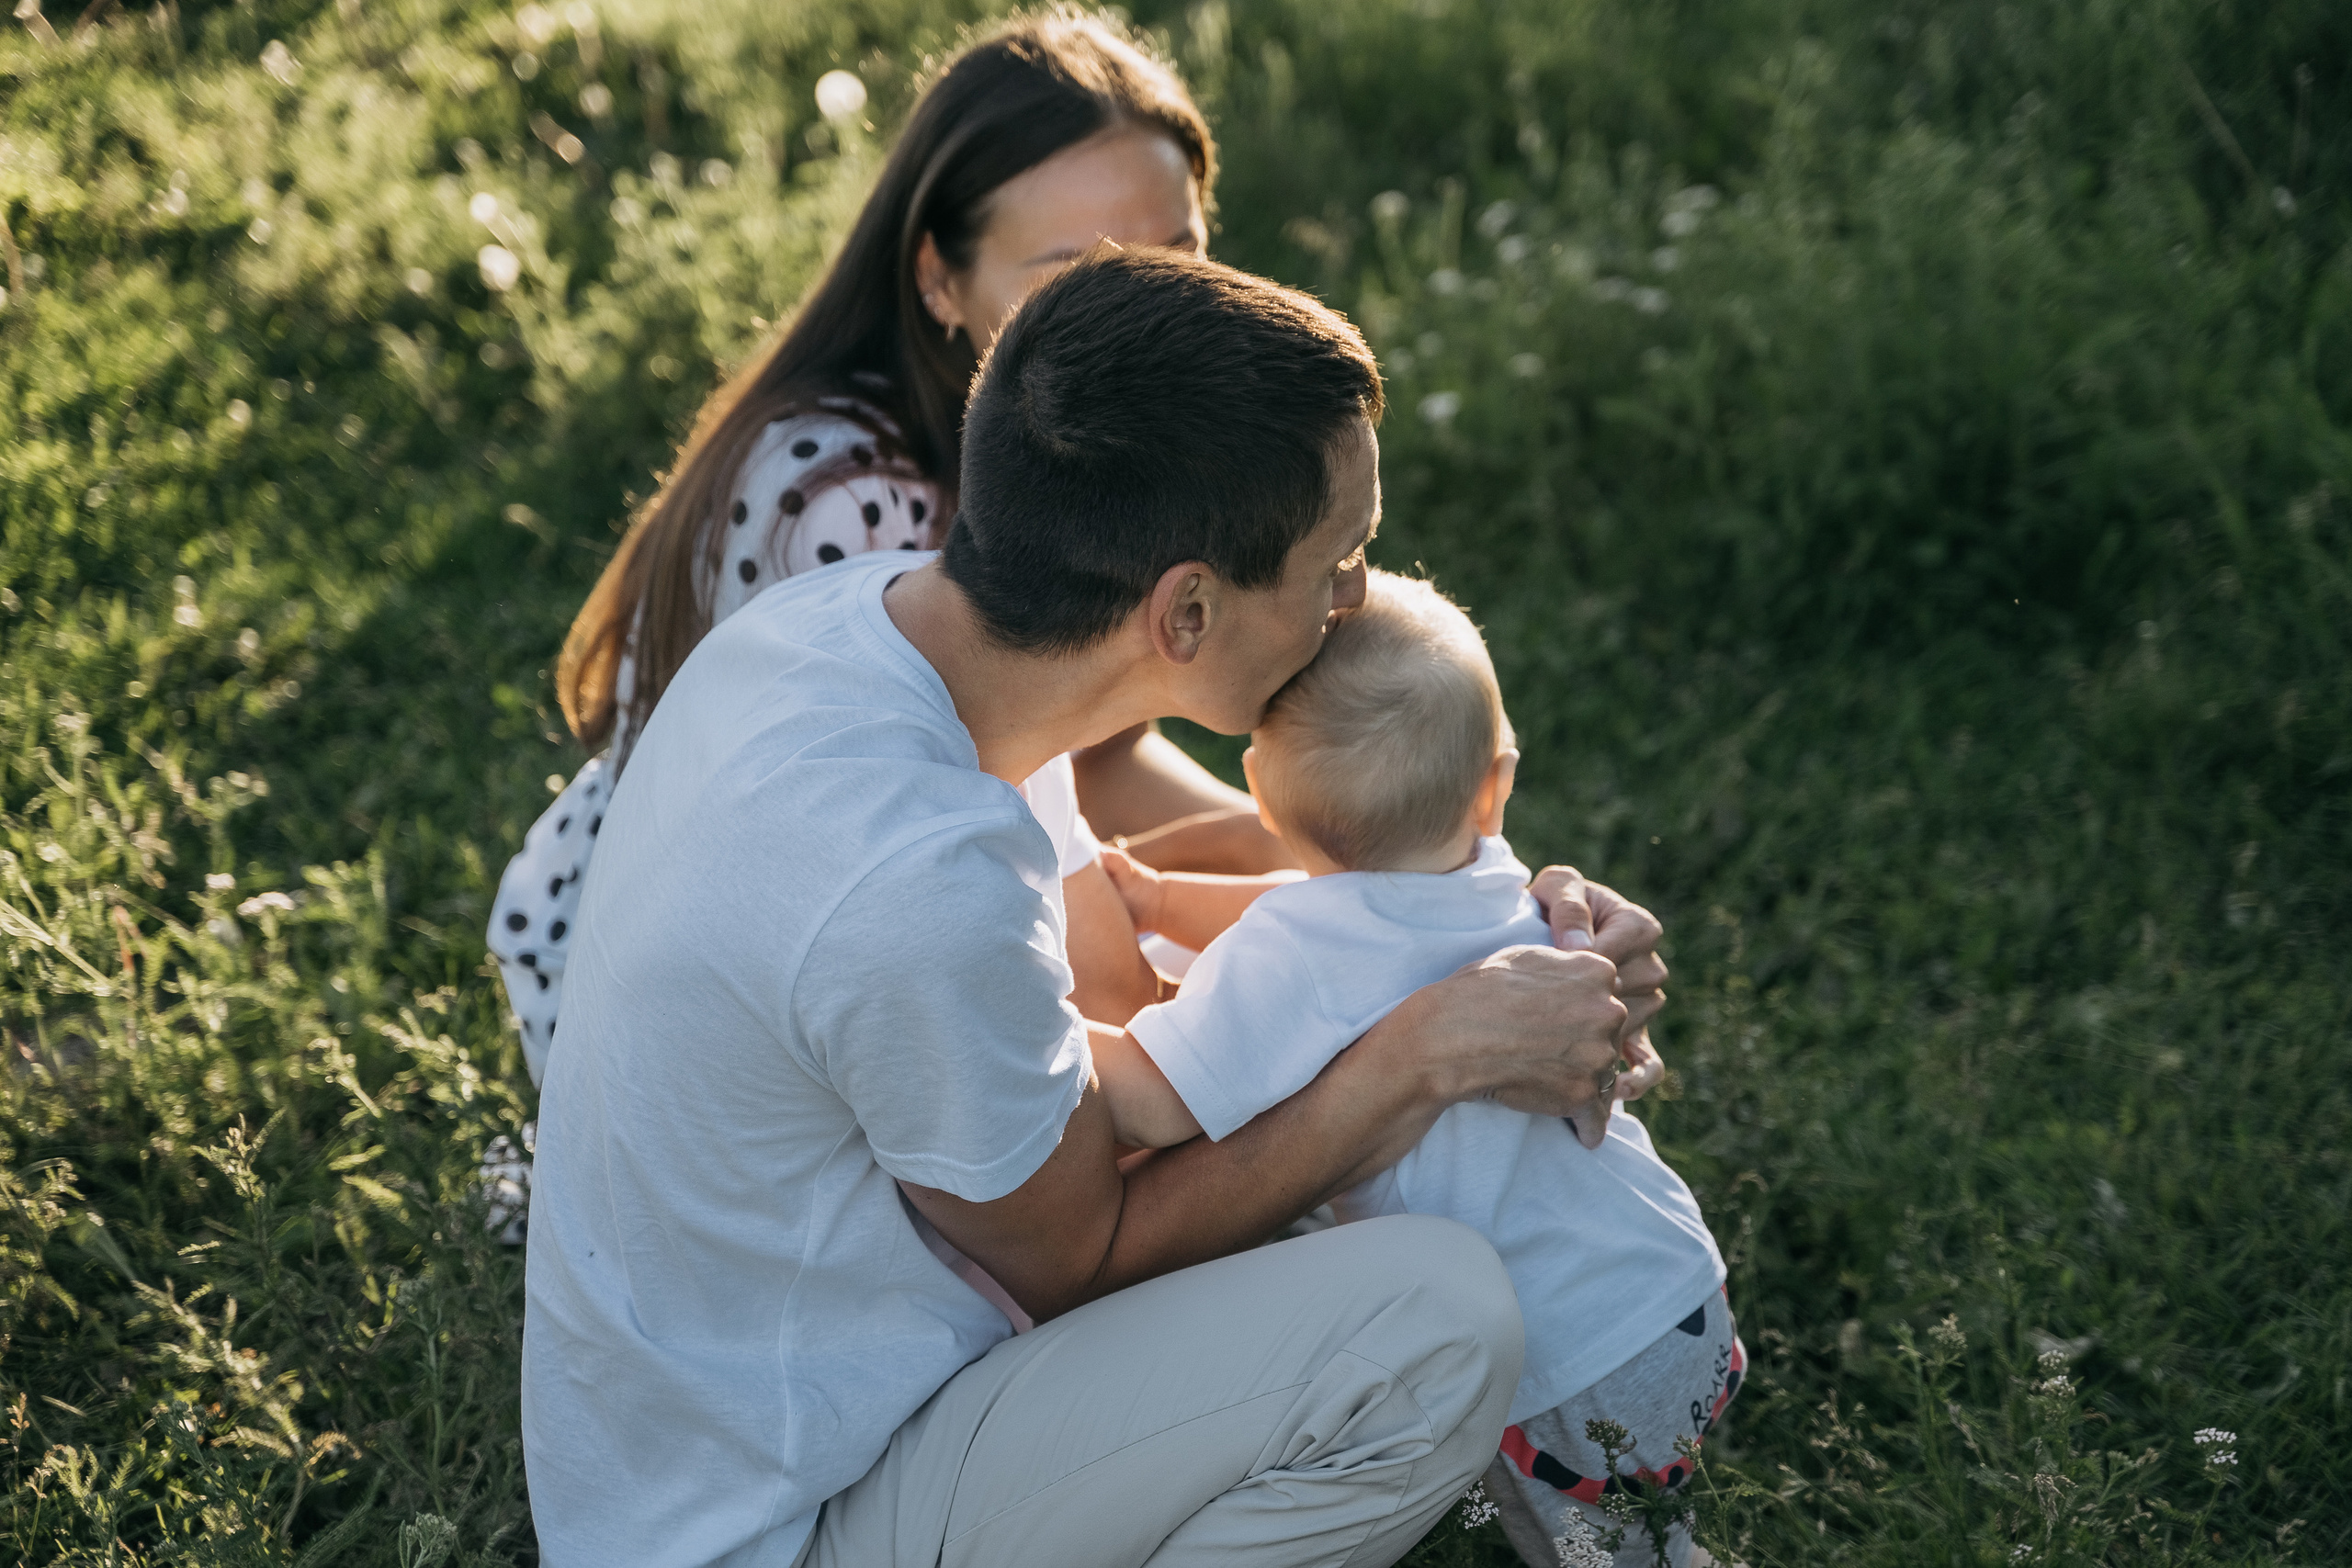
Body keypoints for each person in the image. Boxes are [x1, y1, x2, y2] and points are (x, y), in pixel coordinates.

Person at [523, 248, 1661, 1568]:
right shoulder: (917, 882)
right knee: (1438, 1316)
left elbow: (1136, 1015)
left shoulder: (855, 640)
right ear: (1185, 609)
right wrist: (1428, 1051)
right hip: (779, 1517)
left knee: (1305, 1165)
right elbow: (1091, 1243)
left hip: (779, 1411)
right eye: (1336, 564)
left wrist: (1504, 919)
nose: (1354, 602)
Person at [487, 12, 1276, 1086]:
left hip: (936, 887)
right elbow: (925, 877)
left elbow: (1097, 756)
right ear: (938, 280)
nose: (1141, 315)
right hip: (686, 989)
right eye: (1072, 271)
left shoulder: (1087, 433)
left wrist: (1350, 854)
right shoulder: (853, 509)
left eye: (1177, 252)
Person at [1096, 571, 1739, 1568]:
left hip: (1574, 1356)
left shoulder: (1294, 953)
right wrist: (1154, 895)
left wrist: (1027, 1021)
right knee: (1596, 1532)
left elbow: (1143, 1101)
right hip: (1663, 1290)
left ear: (1259, 794)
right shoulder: (1497, 886)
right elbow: (1310, 916)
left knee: (1603, 1555)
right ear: (1496, 781)